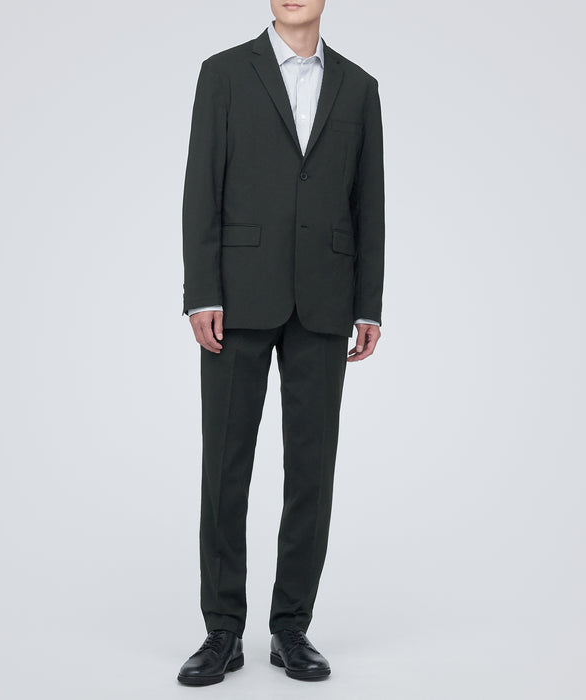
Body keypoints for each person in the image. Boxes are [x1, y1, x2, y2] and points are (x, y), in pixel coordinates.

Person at [177, 0, 385, 685]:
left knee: (311, 471)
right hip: (236, 299)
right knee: (225, 467)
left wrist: (368, 304)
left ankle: (291, 626)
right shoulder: (223, 74)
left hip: (325, 300)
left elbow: (369, 202)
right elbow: (201, 185)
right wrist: (202, 292)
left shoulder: (359, 87)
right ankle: (222, 630)